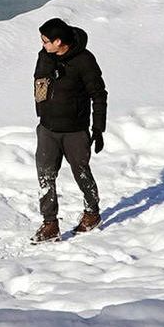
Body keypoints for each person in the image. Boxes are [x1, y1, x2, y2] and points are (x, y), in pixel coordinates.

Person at [30, 16, 106, 242]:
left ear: (59, 41)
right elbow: (39, 82)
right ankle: (50, 223)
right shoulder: (45, 56)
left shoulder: (84, 60)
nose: (42, 45)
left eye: (46, 41)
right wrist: (42, 108)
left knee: (81, 172)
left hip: (74, 130)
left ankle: (92, 212)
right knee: (45, 175)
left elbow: (99, 94)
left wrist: (98, 128)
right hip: (47, 129)